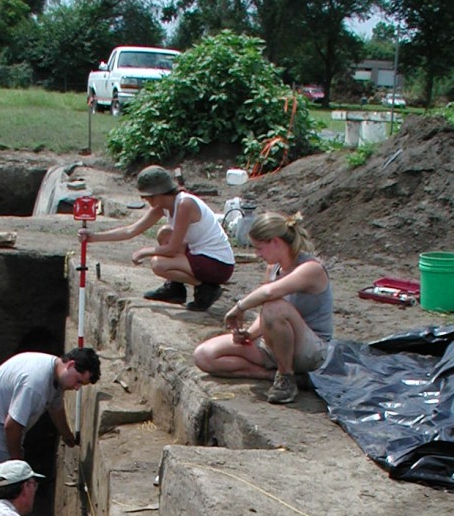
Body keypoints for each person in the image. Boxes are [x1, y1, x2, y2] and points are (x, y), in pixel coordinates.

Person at [193, 211, 332, 405]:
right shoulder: (273, 268)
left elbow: (269, 296)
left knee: (274, 306)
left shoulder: (311, 269)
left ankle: (286, 378)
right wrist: (249, 334)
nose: (257, 254)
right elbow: (266, 315)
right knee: (204, 355)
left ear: (275, 242)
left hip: (310, 351)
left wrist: (239, 307)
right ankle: (271, 375)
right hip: (275, 346)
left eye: (259, 248)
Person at [80, 164, 235, 311]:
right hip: (200, 254)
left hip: (218, 264)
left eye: (147, 197)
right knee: (164, 233)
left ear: (158, 194)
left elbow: (172, 249)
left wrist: (144, 252)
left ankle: (207, 288)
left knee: (158, 264)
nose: (146, 201)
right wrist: (94, 237)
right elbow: (131, 230)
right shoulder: (164, 207)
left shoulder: (184, 204)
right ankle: (175, 289)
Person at [0, 348, 101, 477]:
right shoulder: (35, 384)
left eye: (81, 385)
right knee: (7, 488)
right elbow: (12, 426)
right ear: (70, 365)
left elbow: (56, 407)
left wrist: (67, 435)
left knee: (14, 483)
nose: (77, 388)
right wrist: (18, 466)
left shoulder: (57, 373)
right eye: (78, 381)